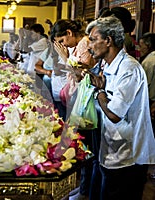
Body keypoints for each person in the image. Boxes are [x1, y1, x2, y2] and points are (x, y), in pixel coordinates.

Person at [86, 15, 155, 200]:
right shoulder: (106, 65)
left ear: (108, 41)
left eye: (93, 40)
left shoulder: (128, 68)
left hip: (129, 156)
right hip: (112, 149)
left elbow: (115, 114)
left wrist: (100, 93)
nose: (89, 46)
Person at [51, 19, 97, 200]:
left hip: (84, 99)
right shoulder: (78, 46)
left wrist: (64, 57)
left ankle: (85, 190)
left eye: (62, 40)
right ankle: (83, 187)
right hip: (77, 97)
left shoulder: (85, 43)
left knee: (86, 146)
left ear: (69, 33)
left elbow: (81, 74)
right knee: (82, 144)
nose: (63, 45)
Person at [138, 32, 155, 133]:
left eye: (141, 46)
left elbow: (144, 86)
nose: (139, 50)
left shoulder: (148, 62)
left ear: (148, 46)